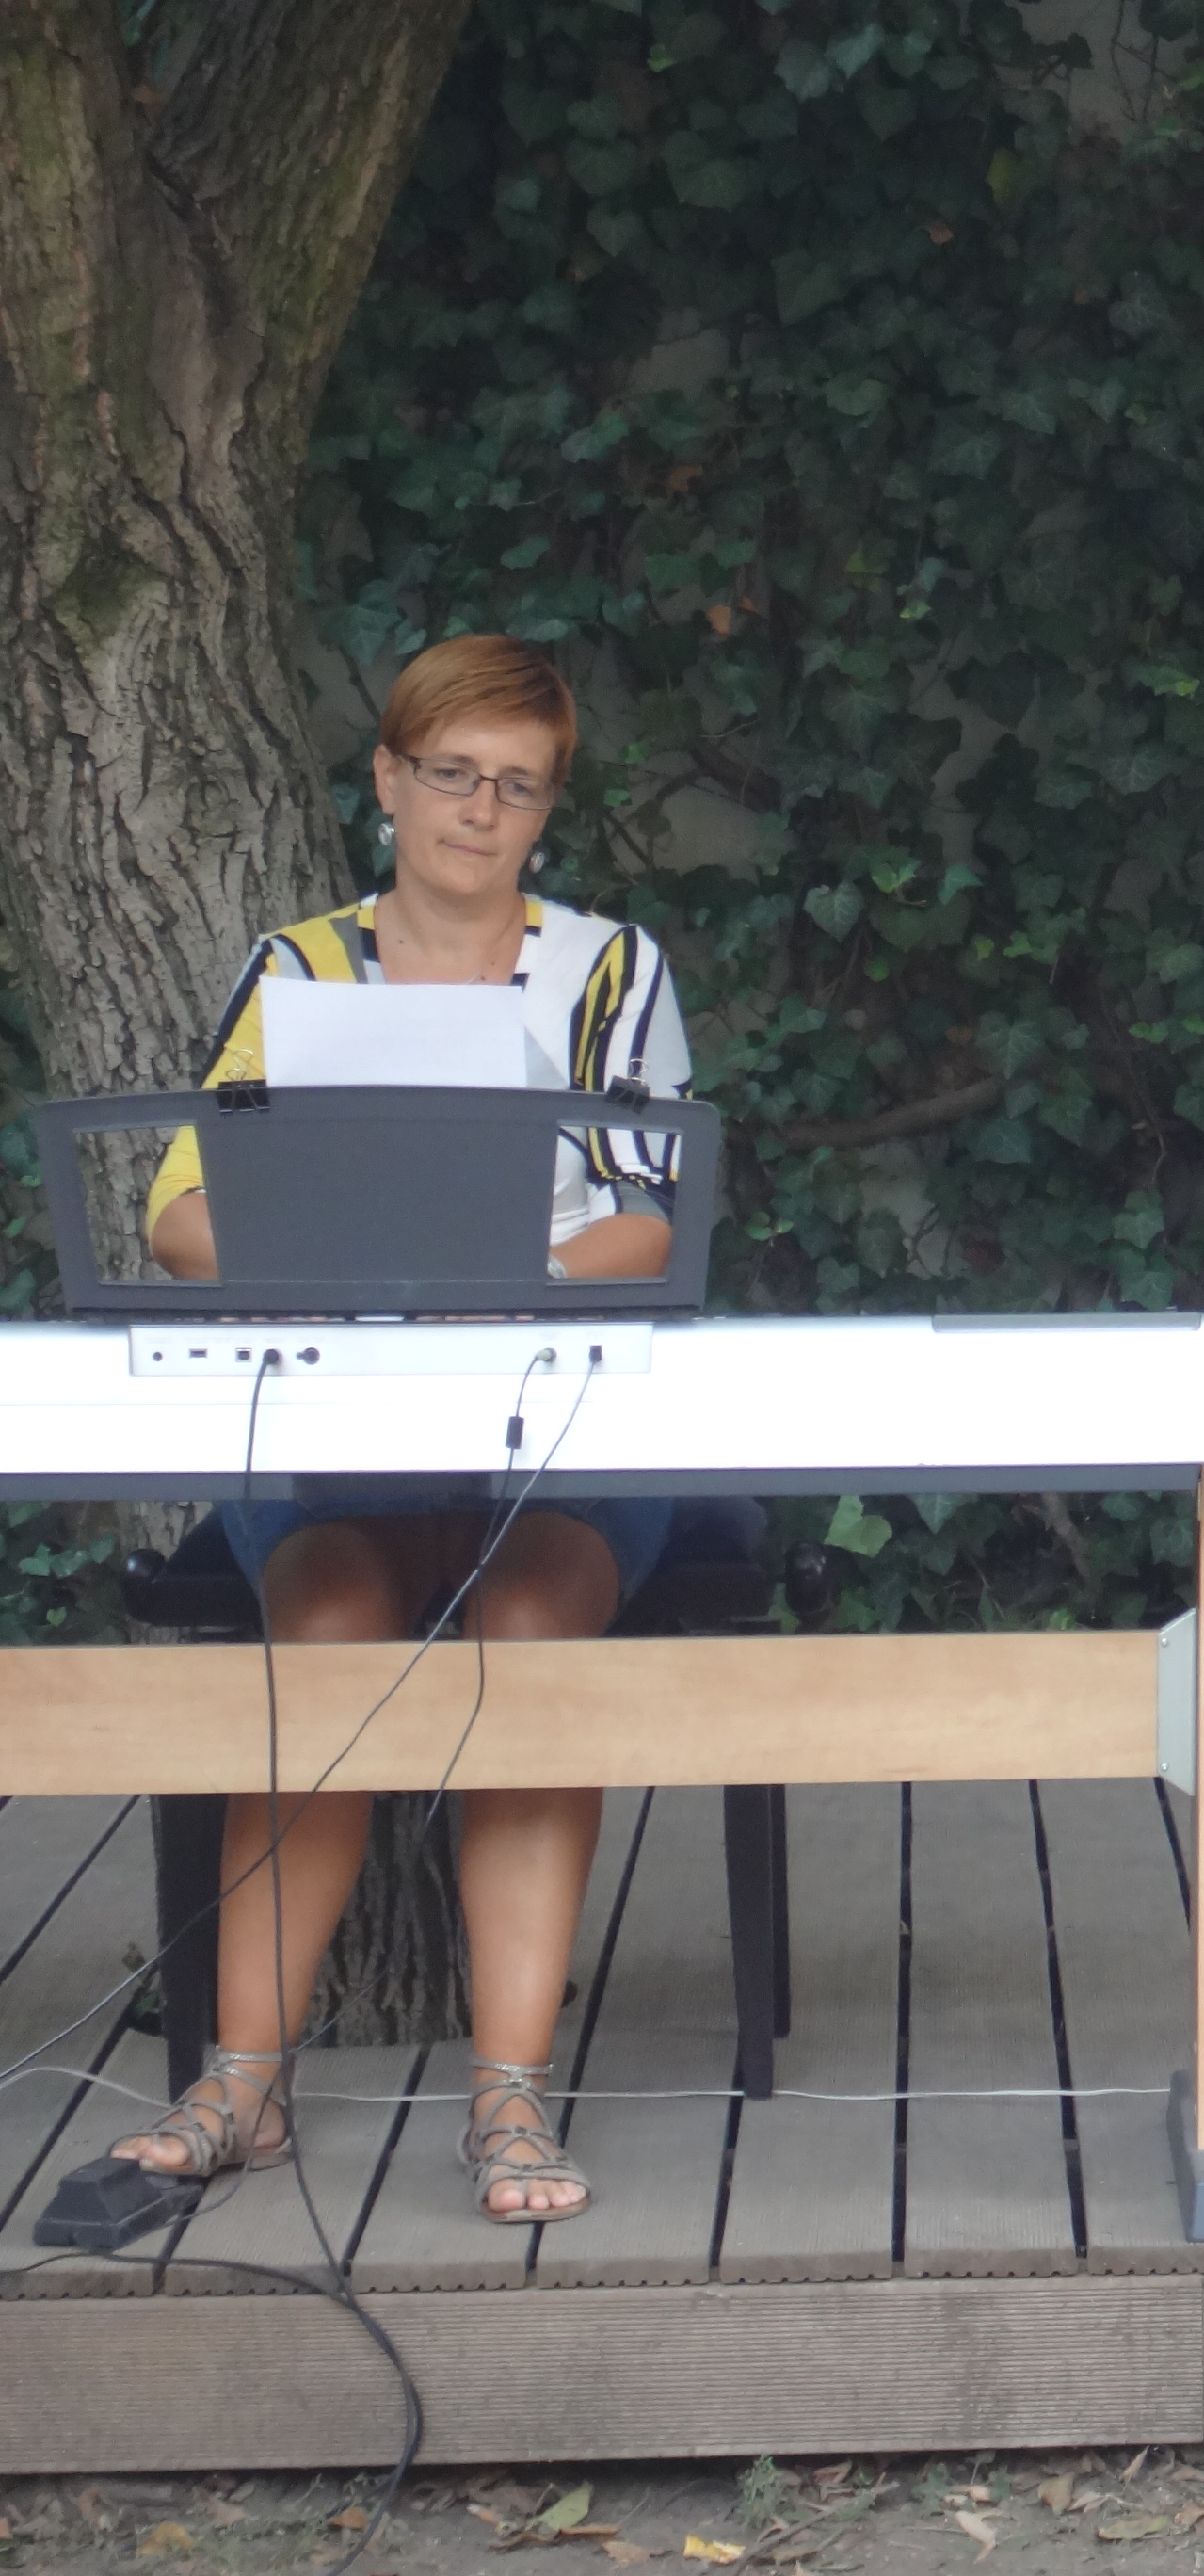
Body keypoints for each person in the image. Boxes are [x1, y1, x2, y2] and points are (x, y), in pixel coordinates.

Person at [107, 634, 693, 2224]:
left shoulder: (611, 971)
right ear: (386, 778)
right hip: (335, 1427)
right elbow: (178, 1206)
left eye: (518, 785)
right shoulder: (295, 972)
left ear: (548, 809)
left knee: (529, 1624)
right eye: (451, 774)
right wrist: (346, 1281)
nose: (479, 811)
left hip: (557, 1429)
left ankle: (509, 2103)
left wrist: (499, 1293)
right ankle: (240, 2086)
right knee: (327, 1623)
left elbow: (649, 1220)